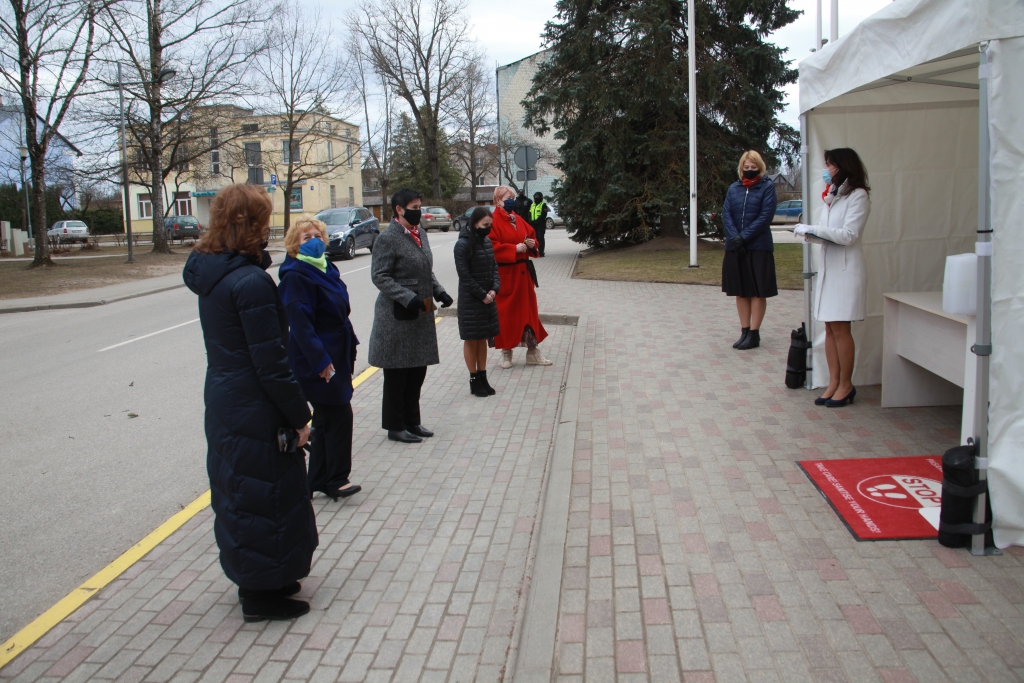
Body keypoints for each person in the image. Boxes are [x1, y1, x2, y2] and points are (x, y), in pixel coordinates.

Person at [183, 184, 316, 623]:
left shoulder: (216, 272)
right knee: (264, 496)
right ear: (250, 224)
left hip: (227, 398)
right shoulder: (249, 282)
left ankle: (271, 575)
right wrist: (300, 415)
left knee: (246, 491)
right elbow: (271, 363)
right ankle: (260, 595)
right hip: (254, 402)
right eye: (263, 219)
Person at [278, 217, 361, 502]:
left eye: (317, 235)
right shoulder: (295, 275)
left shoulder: (327, 267)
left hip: (337, 349)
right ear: (294, 244)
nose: (313, 240)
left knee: (326, 418)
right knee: (339, 415)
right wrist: (321, 361)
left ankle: (315, 480)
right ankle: (336, 479)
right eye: (306, 237)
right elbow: (300, 325)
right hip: (318, 355)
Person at [369, 188, 454, 443]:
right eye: (415, 207)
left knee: (417, 372)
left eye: (420, 206)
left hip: (421, 312)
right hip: (396, 316)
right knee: (397, 374)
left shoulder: (421, 234)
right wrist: (408, 297)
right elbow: (379, 276)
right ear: (399, 210)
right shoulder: (388, 237)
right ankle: (395, 426)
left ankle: (412, 421)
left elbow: (424, 268)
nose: (419, 211)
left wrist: (439, 291)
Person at [794, 148, 871, 408]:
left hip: (846, 271)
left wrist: (815, 229)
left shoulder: (858, 196)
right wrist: (809, 233)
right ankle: (833, 382)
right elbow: (829, 234)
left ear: (843, 166)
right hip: (828, 269)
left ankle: (846, 384)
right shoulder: (833, 197)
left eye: (830, 164)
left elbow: (849, 235)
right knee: (828, 327)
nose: (826, 169)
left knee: (841, 328)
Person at [721, 150, 778, 350]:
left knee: (756, 291)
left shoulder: (767, 188)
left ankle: (754, 333)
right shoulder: (733, 188)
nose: (750, 170)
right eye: (746, 167)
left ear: (760, 167)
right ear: (741, 168)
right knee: (740, 291)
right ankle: (744, 330)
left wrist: (743, 237)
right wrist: (734, 238)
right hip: (736, 248)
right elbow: (726, 213)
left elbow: (765, 216)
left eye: (754, 167)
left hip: (758, 246)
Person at [490, 185, 552, 369]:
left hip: (524, 275)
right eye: (506, 197)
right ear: (497, 201)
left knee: (528, 313)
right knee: (506, 314)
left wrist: (533, 244)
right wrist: (512, 249)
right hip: (507, 275)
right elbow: (490, 246)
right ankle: (506, 352)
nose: (511, 200)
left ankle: (533, 352)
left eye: (512, 197)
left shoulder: (517, 218)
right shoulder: (493, 221)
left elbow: (531, 236)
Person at [454, 207, 501, 397]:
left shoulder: (487, 242)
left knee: (483, 338)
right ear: (474, 224)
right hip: (471, 300)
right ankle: (474, 379)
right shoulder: (462, 245)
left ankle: (483, 376)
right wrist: (482, 294)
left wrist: (494, 289)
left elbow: (494, 269)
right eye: (485, 225)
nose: (488, 229)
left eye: (490, 225)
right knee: (471, 339)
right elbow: (464, 276)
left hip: (487, 299)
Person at [529, 192, 549, 257]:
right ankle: (535, 251)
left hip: (540, 224)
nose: (536, 198)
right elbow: (529, 214)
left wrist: (537, 221)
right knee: (534, 238)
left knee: (540, 238)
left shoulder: (543, 205)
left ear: (541, 197)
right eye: (535, 196)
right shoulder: (532, 205)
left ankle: (541, 252)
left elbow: (544, 214)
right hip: (533, 224)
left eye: (538, 196)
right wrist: (531, 221)